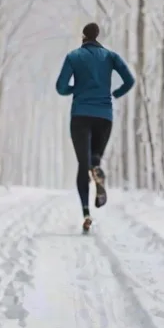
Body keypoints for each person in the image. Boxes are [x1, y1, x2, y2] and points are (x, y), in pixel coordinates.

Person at [56, 22, 135, 233]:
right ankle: (97, 168)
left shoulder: (73, 56)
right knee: (94, 159)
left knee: (83, 164)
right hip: (104, 116)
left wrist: (76, 89)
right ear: (98, 36)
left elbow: (60, 87)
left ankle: (86, 212)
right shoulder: (111, 57)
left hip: (80, 114)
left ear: (83, 36)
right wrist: (115, 94)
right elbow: (129, 80)